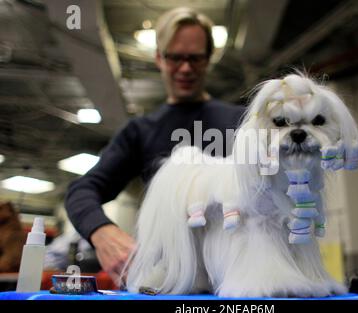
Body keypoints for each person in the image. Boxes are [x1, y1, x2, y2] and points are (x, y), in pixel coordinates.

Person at [65, 7, 245, 285]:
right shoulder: (139, 132)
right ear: (159, 57)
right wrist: (102, 233)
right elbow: (81, 190)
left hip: (236, 275)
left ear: (209, 58)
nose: (185, 68)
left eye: (195, 58)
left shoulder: (241, 123)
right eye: (175, 57)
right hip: (169, 278)